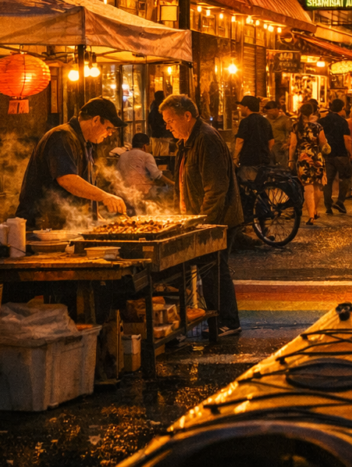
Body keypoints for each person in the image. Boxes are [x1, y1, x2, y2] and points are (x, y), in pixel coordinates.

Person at [160, 94, 243, 337]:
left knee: (215, 270)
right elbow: (183, 183)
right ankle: (213, 318)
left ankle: (227, 321)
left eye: (170, 120)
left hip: (218, 219)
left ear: (187, 116)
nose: (168, 126)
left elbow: (216, 188)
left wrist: (205, 223)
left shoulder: (206, 139)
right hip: (196, 218)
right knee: (208, 270)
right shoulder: (185, 141)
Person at [15, 97, 128, 227]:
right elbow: (67, 179)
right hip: (42, 224)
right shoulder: (62, 137)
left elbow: (82, 190)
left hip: (66, 223)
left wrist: (96, 217)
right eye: (109, 128)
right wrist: (105, 196)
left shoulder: (85, 144)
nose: (109, 134)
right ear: (96, 120)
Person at [289, 102, 328, 225]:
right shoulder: (318, 127)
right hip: (317, 156)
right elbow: (322, 143)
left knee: (307, 187)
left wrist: (290, 159)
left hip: (303, 158)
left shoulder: (296, 126)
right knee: (317, 185)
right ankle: (315, 210)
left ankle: (311, 215)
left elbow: (293, 145)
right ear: (312, 112)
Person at [116, 133, 173, 205]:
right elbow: (157, 175)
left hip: (126, 194)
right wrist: (172, 183)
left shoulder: (122, 156)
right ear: (145, 146)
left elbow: (117, 174)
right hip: (143, 195)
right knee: (166, 192)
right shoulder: (146, 156)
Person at [320, 98, 352, 214]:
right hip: (341, 153)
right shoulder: (343, 122)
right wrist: (350, 153)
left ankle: (328, 205)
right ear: (342, 109)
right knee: (345, 177)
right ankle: (340, 201)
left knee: (328, 180)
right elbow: (347, 139)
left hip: (327, 154)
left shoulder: (322, 121)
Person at [233, 96, 274, 183]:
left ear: (246, 107)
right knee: (260, 187)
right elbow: (271, 141)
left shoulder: (245, 122)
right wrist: (265, 153)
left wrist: (235, 158)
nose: (240, 109)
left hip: (248, 161)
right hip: (263, 162)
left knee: (247, 189)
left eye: (241, 107)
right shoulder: (265, 121)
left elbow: (240, 141)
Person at [264, 101, 293, 168]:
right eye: (268, 112)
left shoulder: (285, 120)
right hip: (268, 147)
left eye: (271, 112)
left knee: (281, 167)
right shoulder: (265, 120)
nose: (269, 114)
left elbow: (289, 133)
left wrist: (287, 143)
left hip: (280, 147)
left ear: (276, 110)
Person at [147, 90, 172, 156]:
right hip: (164, 132)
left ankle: (156, 164)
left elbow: (150, 119)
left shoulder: (152, 106)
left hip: (155, 132)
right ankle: (163, 164)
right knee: (164, 150)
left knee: (155, 150)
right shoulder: (165, 106)